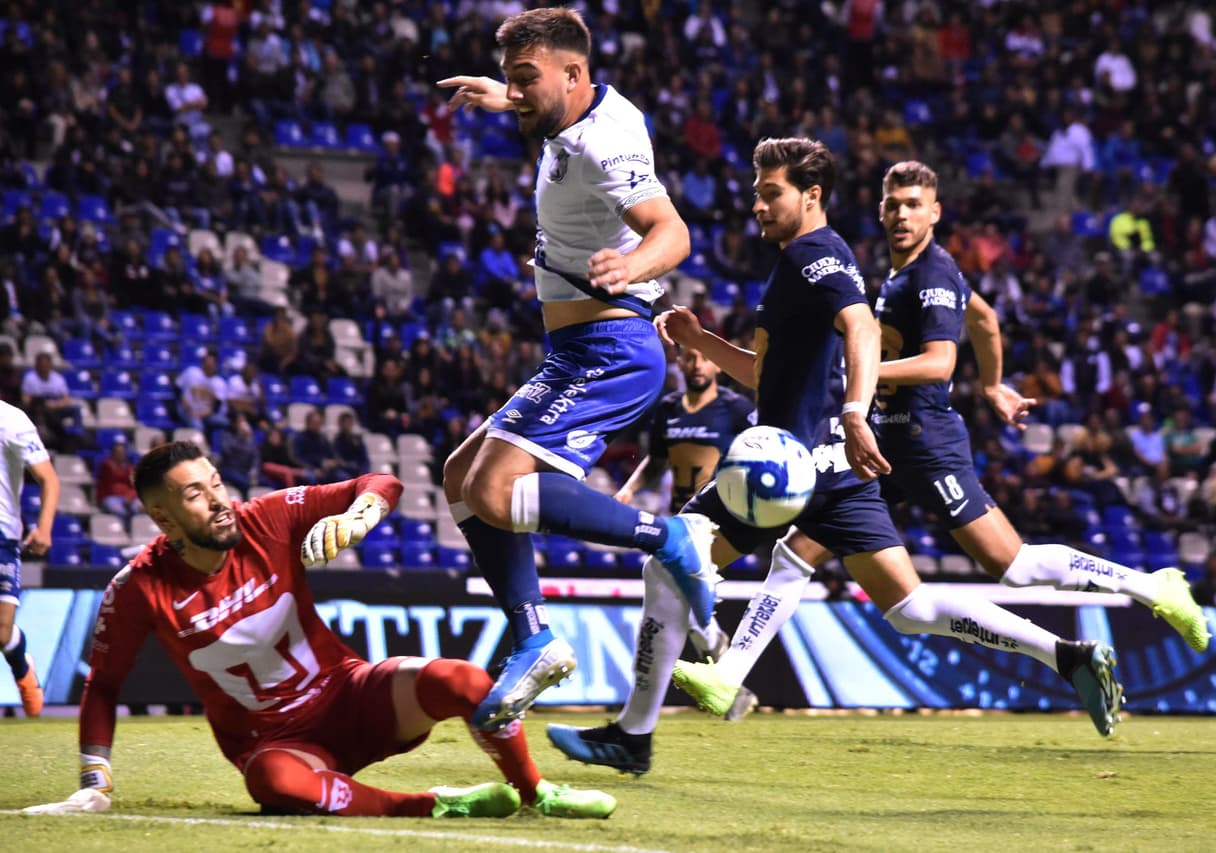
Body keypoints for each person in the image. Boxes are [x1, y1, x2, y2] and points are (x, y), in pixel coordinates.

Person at [547, 139, 1123, 776]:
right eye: (758, 193)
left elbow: (863, 327)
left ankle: (634, 735)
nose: (758, 205)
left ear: (811, 195)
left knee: (669, 560)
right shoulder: (796, 261)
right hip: (833, 472)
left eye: (772, 194)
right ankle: (1067, 655)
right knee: (911, 608)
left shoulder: (815, 254)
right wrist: (701, 339)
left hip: (787, 466)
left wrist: (854, 411)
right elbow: (766, 376)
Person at [667, 160, 1208, 707]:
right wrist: (993, 385)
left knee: (1013, 566)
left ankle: (1151, 587)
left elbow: (940, 363)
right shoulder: (904, 273)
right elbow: (985, 319)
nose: (901, 215)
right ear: (880, 209)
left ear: (935, 213)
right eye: (892, 205)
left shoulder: (932, 272)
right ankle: (729, 675)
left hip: (923, 442)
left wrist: (854, 374)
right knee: (812, 561)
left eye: (914, 206)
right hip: (885, 440)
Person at [24, 441, 614, 819]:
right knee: (271, 783)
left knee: (463, 679)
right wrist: (94, 781)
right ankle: (435, 805)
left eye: (216, 483)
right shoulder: (137, 587)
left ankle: (538, 794)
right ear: (162, 517)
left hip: (350, 694)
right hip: (281, 745)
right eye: (195, 494)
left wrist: (361, 513)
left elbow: (381, 482)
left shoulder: (266, 517)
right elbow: (103, 685)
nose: (218, 500)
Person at [437, 7, 715, 731]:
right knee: (460, 479)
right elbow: (554, 108)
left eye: (524, 79)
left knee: (494, 490)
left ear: (574, 73)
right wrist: (510, 98)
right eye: (510, 78)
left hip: (610, 347)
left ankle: (668, 538)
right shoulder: (575, 112)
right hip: (578, 347)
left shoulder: (604, 143)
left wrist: (633, 265)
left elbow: (673, 231)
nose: (515, 91)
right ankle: (534, 637)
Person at [614, 345, 759, 721]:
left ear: (717, 364)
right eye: (689, 357)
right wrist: (629, 490)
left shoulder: (738, 409)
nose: (696, 365)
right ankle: (723, 669)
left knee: (675, 586)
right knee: (681, 592)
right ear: (678, 361)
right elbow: (656, 461)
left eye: (704, 357)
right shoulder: (668, 409)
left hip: (719, 521)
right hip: (680, 519)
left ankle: (645, 713)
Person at [0, 400, 60, 716]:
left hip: (3, 534)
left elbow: (48, 478)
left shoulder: (11, 419)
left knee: (2, 632)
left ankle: (22, 666)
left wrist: (44, 528)